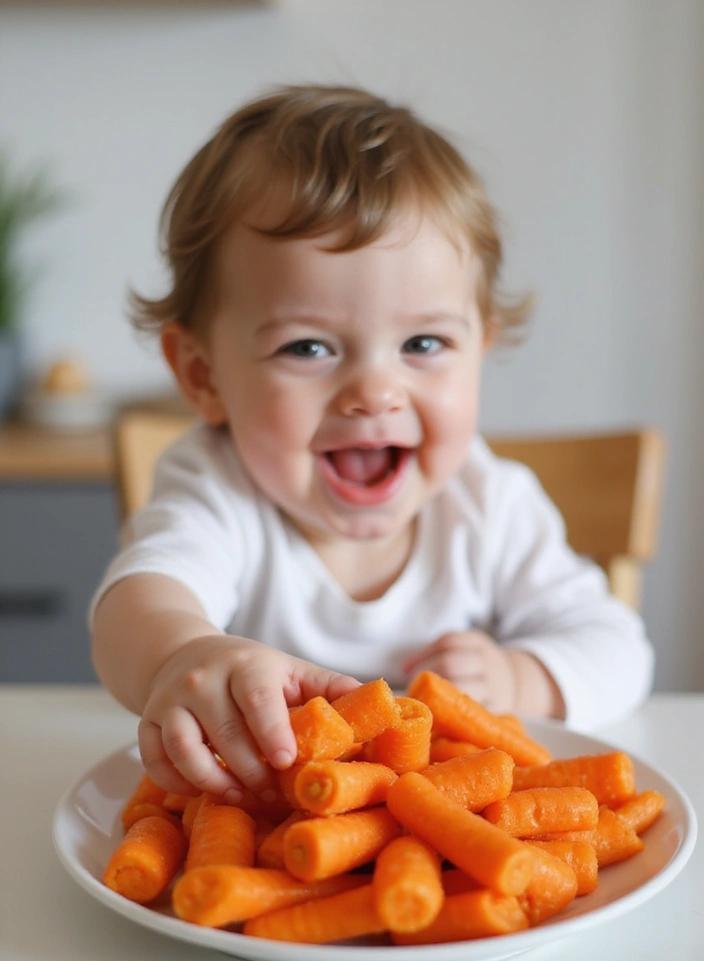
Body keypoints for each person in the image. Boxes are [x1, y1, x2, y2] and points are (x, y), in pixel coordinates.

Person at [91, 84, 653, 806]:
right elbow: (137, 603)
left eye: (423, 342)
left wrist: (520, 679)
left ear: (479, 349)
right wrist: (183, 656)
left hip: (446, 832)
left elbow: (619, 649)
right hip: (280, 825)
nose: (374, 391)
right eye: (309, 347)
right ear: (203, 376)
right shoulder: (217, 489)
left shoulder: (491, 504)